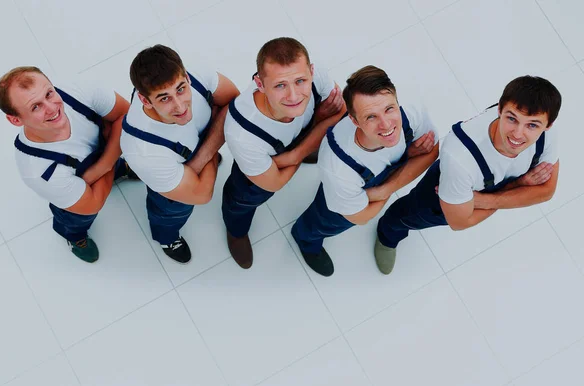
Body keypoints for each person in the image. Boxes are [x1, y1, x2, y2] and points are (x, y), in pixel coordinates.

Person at [376, 75, 562, 274]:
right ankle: (386, 234)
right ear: (499, 110)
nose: (517, 134)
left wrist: (485, 199)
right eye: (511, 118)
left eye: (532, 125)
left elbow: (546, 192)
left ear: (547, 125)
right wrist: (517, 188)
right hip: (440, 193)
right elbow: (460, 222)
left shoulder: (547, 136)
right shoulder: (459, 158)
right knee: (408, 215)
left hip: (476, 193)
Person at [291, 65, 439, 276]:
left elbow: (432, 151)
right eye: (371, 117)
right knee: (322, 223)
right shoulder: (338, 169)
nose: (386, 124)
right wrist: (410, 159)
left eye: (390, 109)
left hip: (362, 189)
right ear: (354, 120)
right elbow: (360, 217)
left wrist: (383, 189)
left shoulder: (411, 111)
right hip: (342, 199)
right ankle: (305, 239)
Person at [222, 37, 346, 269]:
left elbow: (343, 111)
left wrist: (294, 154)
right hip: (256, 175)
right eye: (280, 85)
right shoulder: (243, 134)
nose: (293, 95)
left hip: (287, 148)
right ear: (259, 83)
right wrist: (316, 130)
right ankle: (236, 231)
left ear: (311, 71)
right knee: (240, 204)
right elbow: (274, 182)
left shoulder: (317, 75)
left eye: (300, 81)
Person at [0, 66, 135, 263]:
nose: (52, 108)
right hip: (74, 201)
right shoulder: (38, 171)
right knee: (76, 219)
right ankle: (75, 238)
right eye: (35, 107)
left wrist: (101, 167)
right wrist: (112, 145)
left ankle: (120, 169)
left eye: (49, 93)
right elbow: (92, 204)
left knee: (115, 160)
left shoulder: (79, 89)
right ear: (15, 120)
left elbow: (129, 117)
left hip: (90, 169)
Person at [120, 44, 239, 264]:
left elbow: (235, 104)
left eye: (181, 89)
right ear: (144, 100)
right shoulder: (145, 152)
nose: (180, 105)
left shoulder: (197, 75)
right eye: (164, 98)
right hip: (162, 176)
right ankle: (166, 238)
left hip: (177, 163)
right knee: (169, 214)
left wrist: (198, 161)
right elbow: (202, 194)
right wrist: (214, 134)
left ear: (186, 77)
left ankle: (126, 169)